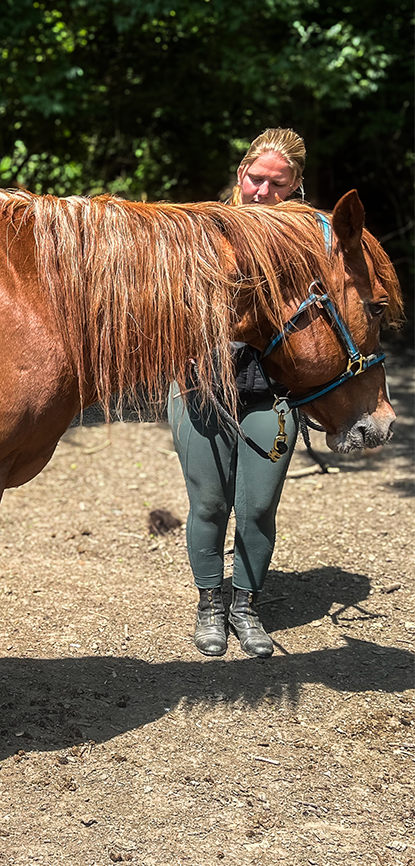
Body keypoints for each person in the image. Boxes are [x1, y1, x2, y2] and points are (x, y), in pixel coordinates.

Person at [168, 128, 306, 659]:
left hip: (270, 396)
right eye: (256, 178)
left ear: (295, 187)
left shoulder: (304, 243)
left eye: (278, 183)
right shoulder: (204, 230)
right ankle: (210, 605)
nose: (263, 192)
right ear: (240, 173)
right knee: (208, 503)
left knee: (258, 508)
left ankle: (245, 609)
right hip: (201, 389)